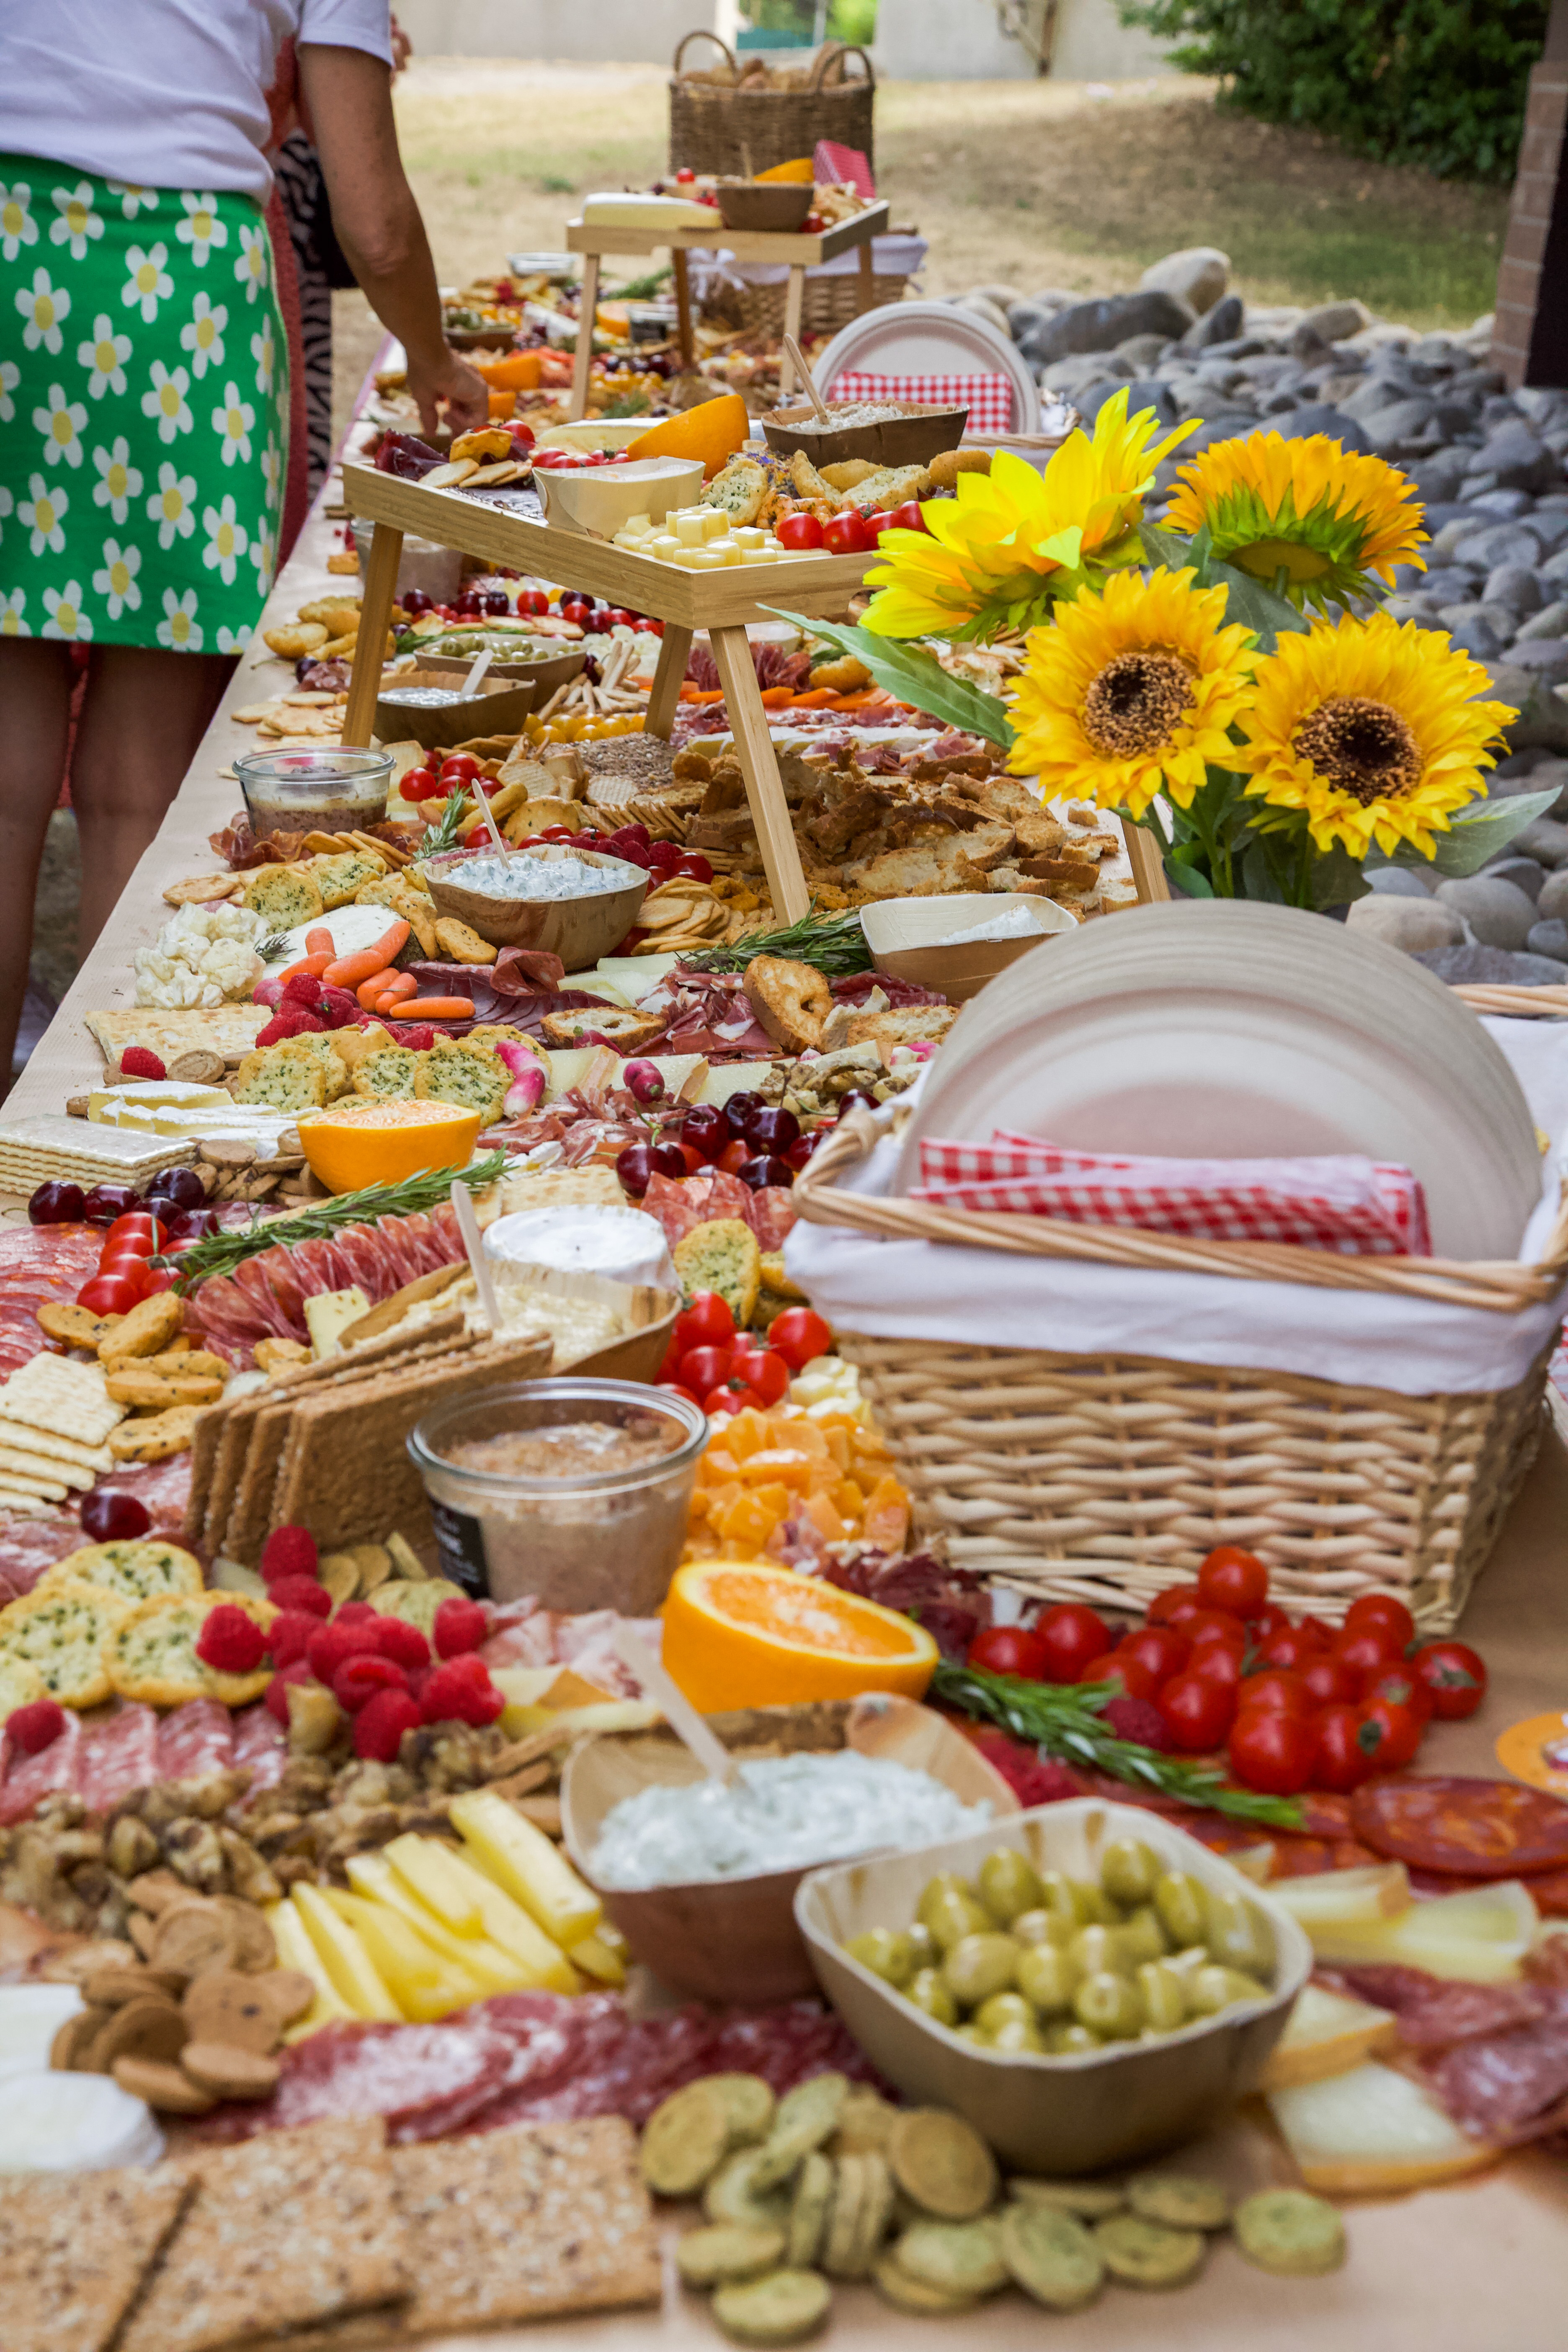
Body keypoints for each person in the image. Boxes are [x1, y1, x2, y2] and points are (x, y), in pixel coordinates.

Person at [0, 2, 486, 1080]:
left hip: (7, 251)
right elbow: (377, 221)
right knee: (141, 767)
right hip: (176, 281)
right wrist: (433, 356)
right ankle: (96, 1105)